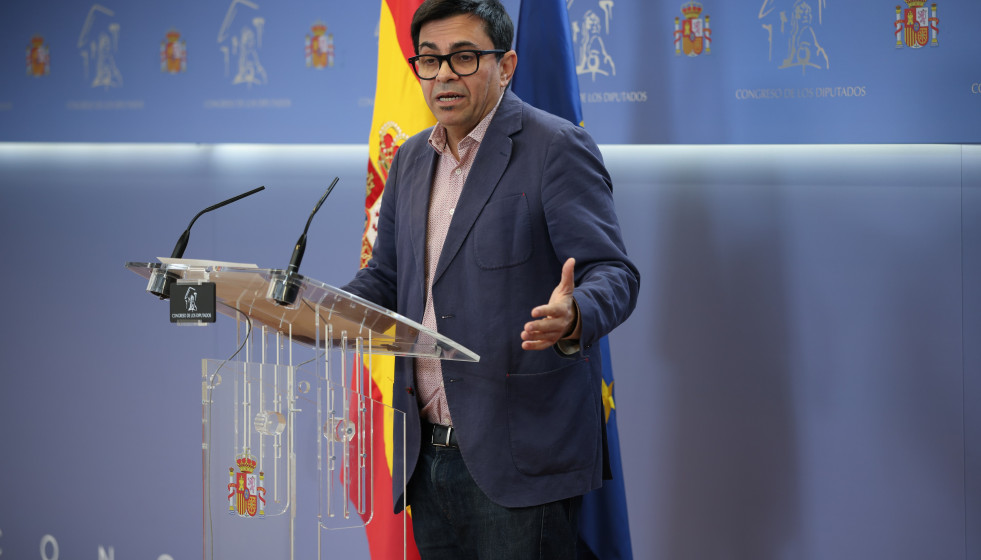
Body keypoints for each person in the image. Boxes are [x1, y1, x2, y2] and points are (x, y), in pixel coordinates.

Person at [342, 0, 639, 557]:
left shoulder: (554, 147)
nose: (444, 75)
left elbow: (613, 272)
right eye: (429, 60)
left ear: (506, 65)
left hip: (520, 457)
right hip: (426, 456)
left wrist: (576, 315)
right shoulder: (408, 160)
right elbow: (385, 278)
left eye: (463, 57)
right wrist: (318, 309)